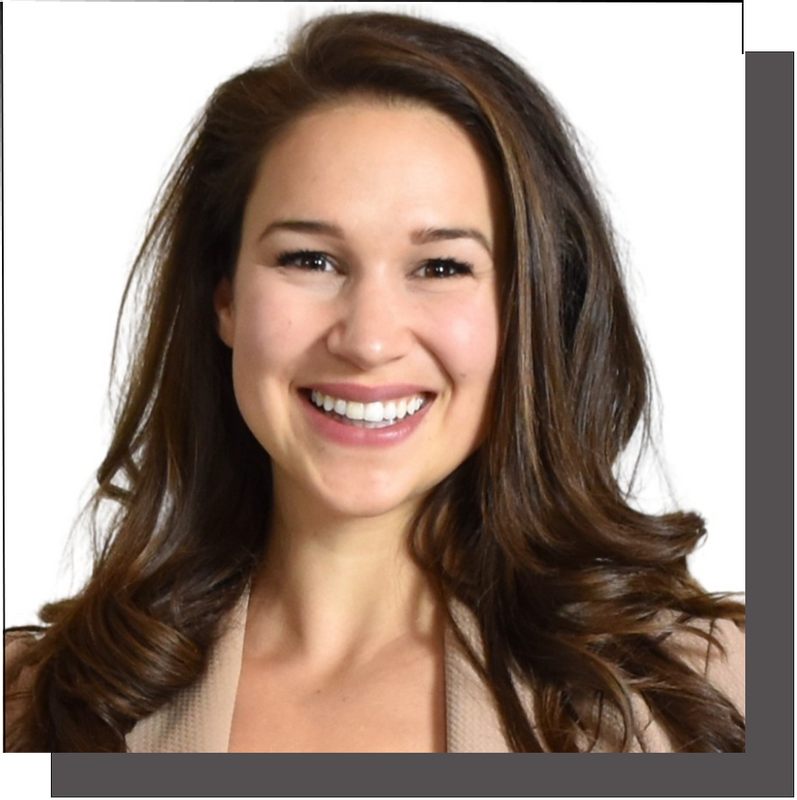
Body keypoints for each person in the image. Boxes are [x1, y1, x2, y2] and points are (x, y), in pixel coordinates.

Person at [3, 9, 744, 754]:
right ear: (224, 297)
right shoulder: (29, 708)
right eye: (309, 259)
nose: (368, 340)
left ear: (529, 309)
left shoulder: (710, 691)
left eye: (441, 267)